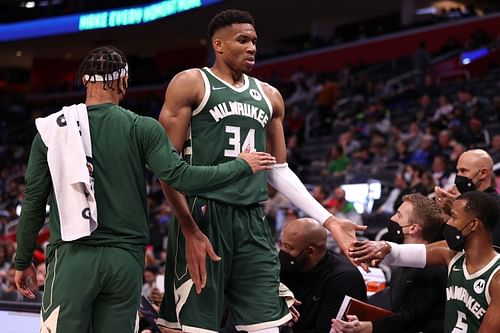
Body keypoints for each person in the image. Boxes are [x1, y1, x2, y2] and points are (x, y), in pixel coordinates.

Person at [13, 46, 275, 333]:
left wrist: (23, 260)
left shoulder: (51, 130)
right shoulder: (142, 128)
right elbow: (182, 177)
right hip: (125, 260)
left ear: (85, 81)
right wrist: (240, 165)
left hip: (73, 256)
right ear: (124, 81)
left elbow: (34, 203)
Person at [156, 9, 364, 333]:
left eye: (254, 40)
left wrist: (330, 220)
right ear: (219, 44)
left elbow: (278, 170)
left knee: (268, 326)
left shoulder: (270, 96)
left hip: (253, 220)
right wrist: (188, 229)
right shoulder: (190, 83)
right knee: (197, 327)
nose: (252, 47)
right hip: (204, 215)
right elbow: (165, 166)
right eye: (243, 40)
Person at [341, 191, 500, 333]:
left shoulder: (496, 276)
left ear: (473, 224)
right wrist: (381, 246)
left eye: (453, 217)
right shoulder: (451, 254)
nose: (448, 223)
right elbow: (403, 252)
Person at [332, 193, 447, 333]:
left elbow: (409, 319)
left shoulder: (432, 270)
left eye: (398, 215)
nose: (392, 218)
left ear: (413, 228)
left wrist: (368, 327)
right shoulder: (404, 262)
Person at [280, 218, 367, 333]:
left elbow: (327, 330)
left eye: (289, 247)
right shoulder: (288, 266)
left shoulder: (343, 278)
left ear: (310, 251)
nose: (282, 251)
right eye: (282, 245)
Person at [435, 149, 500, 245]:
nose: (458, 176)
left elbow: (489, 246)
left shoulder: (496, 205)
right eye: (457, 171)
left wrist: (460, 211)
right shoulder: (459, 200)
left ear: (483, 173)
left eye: (463, 171)